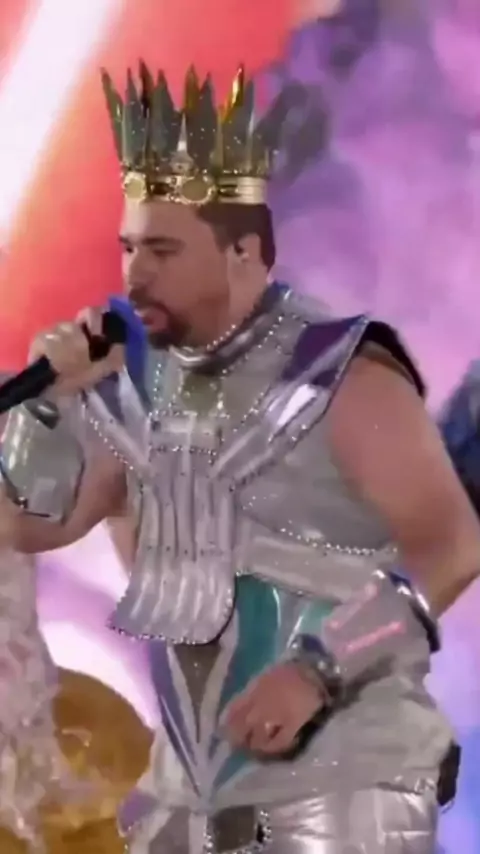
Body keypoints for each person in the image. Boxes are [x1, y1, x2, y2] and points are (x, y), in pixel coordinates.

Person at [0, 63, 479, 853]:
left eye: (163, 251)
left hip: (343, 788)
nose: (136, 276)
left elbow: (451, 548)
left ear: (244, 253)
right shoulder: (136, 397)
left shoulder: (344, 378)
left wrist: (320, 670)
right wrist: (47, 401)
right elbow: (23, 523)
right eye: (130, 250)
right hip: (194, 797)